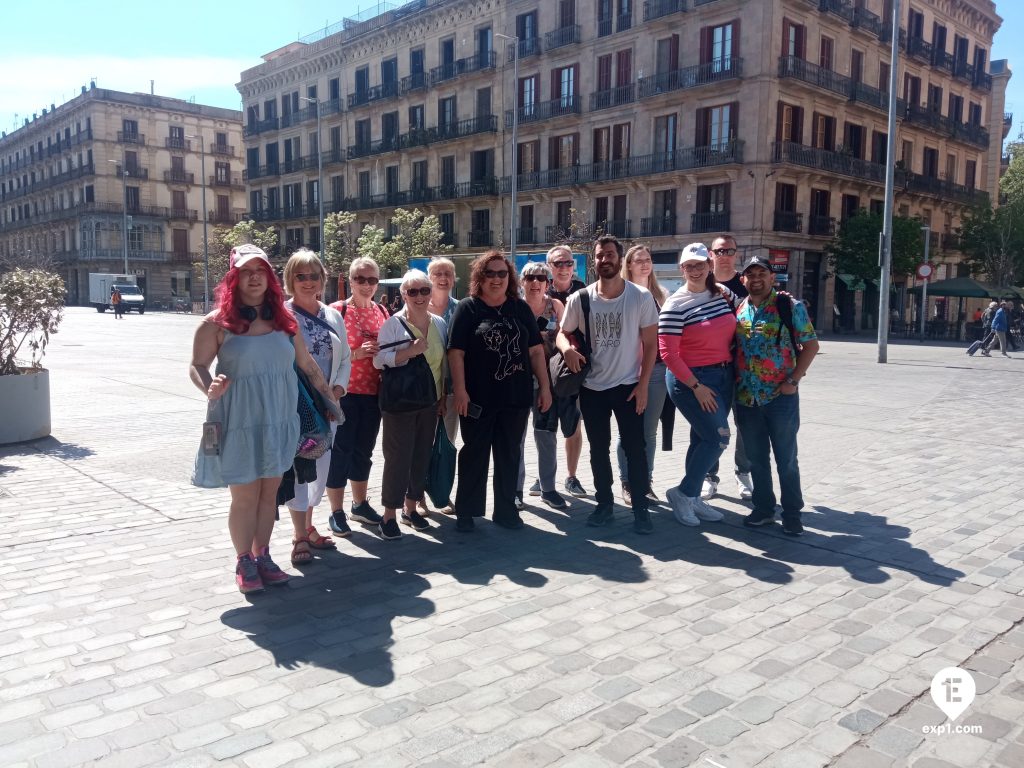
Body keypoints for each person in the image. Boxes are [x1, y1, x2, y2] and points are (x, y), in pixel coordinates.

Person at [190, 244, 335, 594]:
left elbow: (306, 364)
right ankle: (244, 560)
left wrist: (330, 401)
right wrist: (210, 387)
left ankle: (263, 556)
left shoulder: (286, 322)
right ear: (233, 277)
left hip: (279, 420)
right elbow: (197, 366)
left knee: (268, 495)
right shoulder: (216, 324)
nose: (254, 277)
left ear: (269, 277)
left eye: (261, 270)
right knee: (243, 495)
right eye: (246, 270)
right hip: (237, 421)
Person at [557, 235, 659, 534]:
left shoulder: (640, 297)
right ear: (594, 260)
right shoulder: (581, 298)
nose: (605, 260)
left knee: (635, 448)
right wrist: (566, 349)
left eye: (610, 255)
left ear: (620, 259)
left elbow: (651, 345)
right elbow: (563, 333)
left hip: (628, 387)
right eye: (600, 256)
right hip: (592, 388)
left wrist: (643, 385)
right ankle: (604, 504)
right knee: (598, 450)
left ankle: (640, 508)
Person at [448, 251, 552, 532]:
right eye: (490, 273)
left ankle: (506, 511)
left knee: (509, 454)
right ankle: (467, 512)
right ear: (480, 278)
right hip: (477, 399)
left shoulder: (519, 309)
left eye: (502, 273)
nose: (496, 279)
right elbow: (456, 353)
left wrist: (545, 387)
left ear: (510, 277)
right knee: (474, 453)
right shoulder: (468, 308)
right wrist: (460, 390)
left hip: (515, 397)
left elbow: (535, 351)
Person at [734, 255, 819, 536]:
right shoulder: (739, 310)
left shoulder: (789, 306)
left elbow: (811, 345)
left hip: (780, 397)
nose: (756, 279)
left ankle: (792, 513)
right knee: (757, 459)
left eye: (762, 274)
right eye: (750, 274)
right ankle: (764, 509)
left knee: (786, 458)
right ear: (743, 279)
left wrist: (794, 380)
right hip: (747, 398)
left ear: (772, 277)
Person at [659, 243, 740, 527]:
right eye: (689, 266)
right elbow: (668, 354)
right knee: (719, 437)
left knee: (701, 437)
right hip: (691, 381)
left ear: (709, 265)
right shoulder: (675, 304)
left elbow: (744, 315)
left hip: (724, 376)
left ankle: (692, 497)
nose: (695, 270)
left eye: (699, 264)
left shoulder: (723, 293)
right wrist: (696, 386)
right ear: (682, 269)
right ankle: (682, 493)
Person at [281, 250, 351, 565]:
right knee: (301, 469)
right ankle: (298, 536)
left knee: (320, 471)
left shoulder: (332, 315)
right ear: (290, 280)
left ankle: (308, 524)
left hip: (327, 407)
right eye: (301, 276)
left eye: (314, 276)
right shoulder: (281, 316)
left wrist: (336, 389)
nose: (308, 282)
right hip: (296, 408)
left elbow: (345, 357)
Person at [373, 270, 448, 539]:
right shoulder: (393, 324)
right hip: (400, 403)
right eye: (412, 291)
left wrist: (442, 398)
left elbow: (442, 365)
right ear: (403, 294)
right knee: (397, 458)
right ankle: (388, 515)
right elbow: (378, 360)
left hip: (429, 401)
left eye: (424, 290)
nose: (419, 296)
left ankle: (411, 507)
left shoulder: (439, 323)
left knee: (421, 455)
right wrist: (409, 352)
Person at [325, 257, 388, 535]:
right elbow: (325, 357)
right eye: (360, 279)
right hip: (345, 393)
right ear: (350, 281)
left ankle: (359, 504)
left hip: (374, 394)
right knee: (341, 452)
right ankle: (336, 511)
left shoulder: (382, 312)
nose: (366, 285)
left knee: (364, 452)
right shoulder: (336, 311)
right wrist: (357, 354)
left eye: (372, 279)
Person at [516, 261, 571, 511]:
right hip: (516, 381)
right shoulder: (513, 307)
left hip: (547, 382)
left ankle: (548, 488)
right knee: (515, 437)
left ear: (547, 283)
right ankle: (515, 489)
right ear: (521, 282)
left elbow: (565, 337)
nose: (535, 282)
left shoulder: (555, 306)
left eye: (541, 278)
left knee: (546, 435)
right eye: (530, 278)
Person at [702, 234, 753, 502]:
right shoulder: (701, 282)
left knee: (745, 423)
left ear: (736, 253)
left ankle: (743, 471)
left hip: (743, 368)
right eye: (719, 251)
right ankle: (709, 476)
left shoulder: (746, 283)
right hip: (710, 368)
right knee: (710, 423)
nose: (724, 255)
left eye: (729, 251)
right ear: (711, 254)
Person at [616, 244, 668, 506]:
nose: (645, 264)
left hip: (657, 371)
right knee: (627, 432)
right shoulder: (622, 295)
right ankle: (627, 482)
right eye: (638, 261)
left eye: (648, 259)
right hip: (627, 371)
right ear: (628, 265)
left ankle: (645, 482)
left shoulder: (662, 296)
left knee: (649, 432)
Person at [546, 244, 587, 498]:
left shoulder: (584, 291)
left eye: (568, 263)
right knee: (545, 425)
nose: (564, 268)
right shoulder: (539, 287)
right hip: (543, 368)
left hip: (574, 368)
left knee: (574, 423)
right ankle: (545, 475)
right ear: (550, 266)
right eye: (558, 263)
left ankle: (571, 476)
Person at [426, 256, 460, 515]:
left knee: (446, 442)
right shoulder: (417, 305)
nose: (443, 277)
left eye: (448, 273)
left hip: (450, 389)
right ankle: (416, 497)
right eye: (438, 273)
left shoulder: (460, 309)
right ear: (429, 277)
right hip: (423, 390)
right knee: (421, 443)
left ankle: (442, 493)